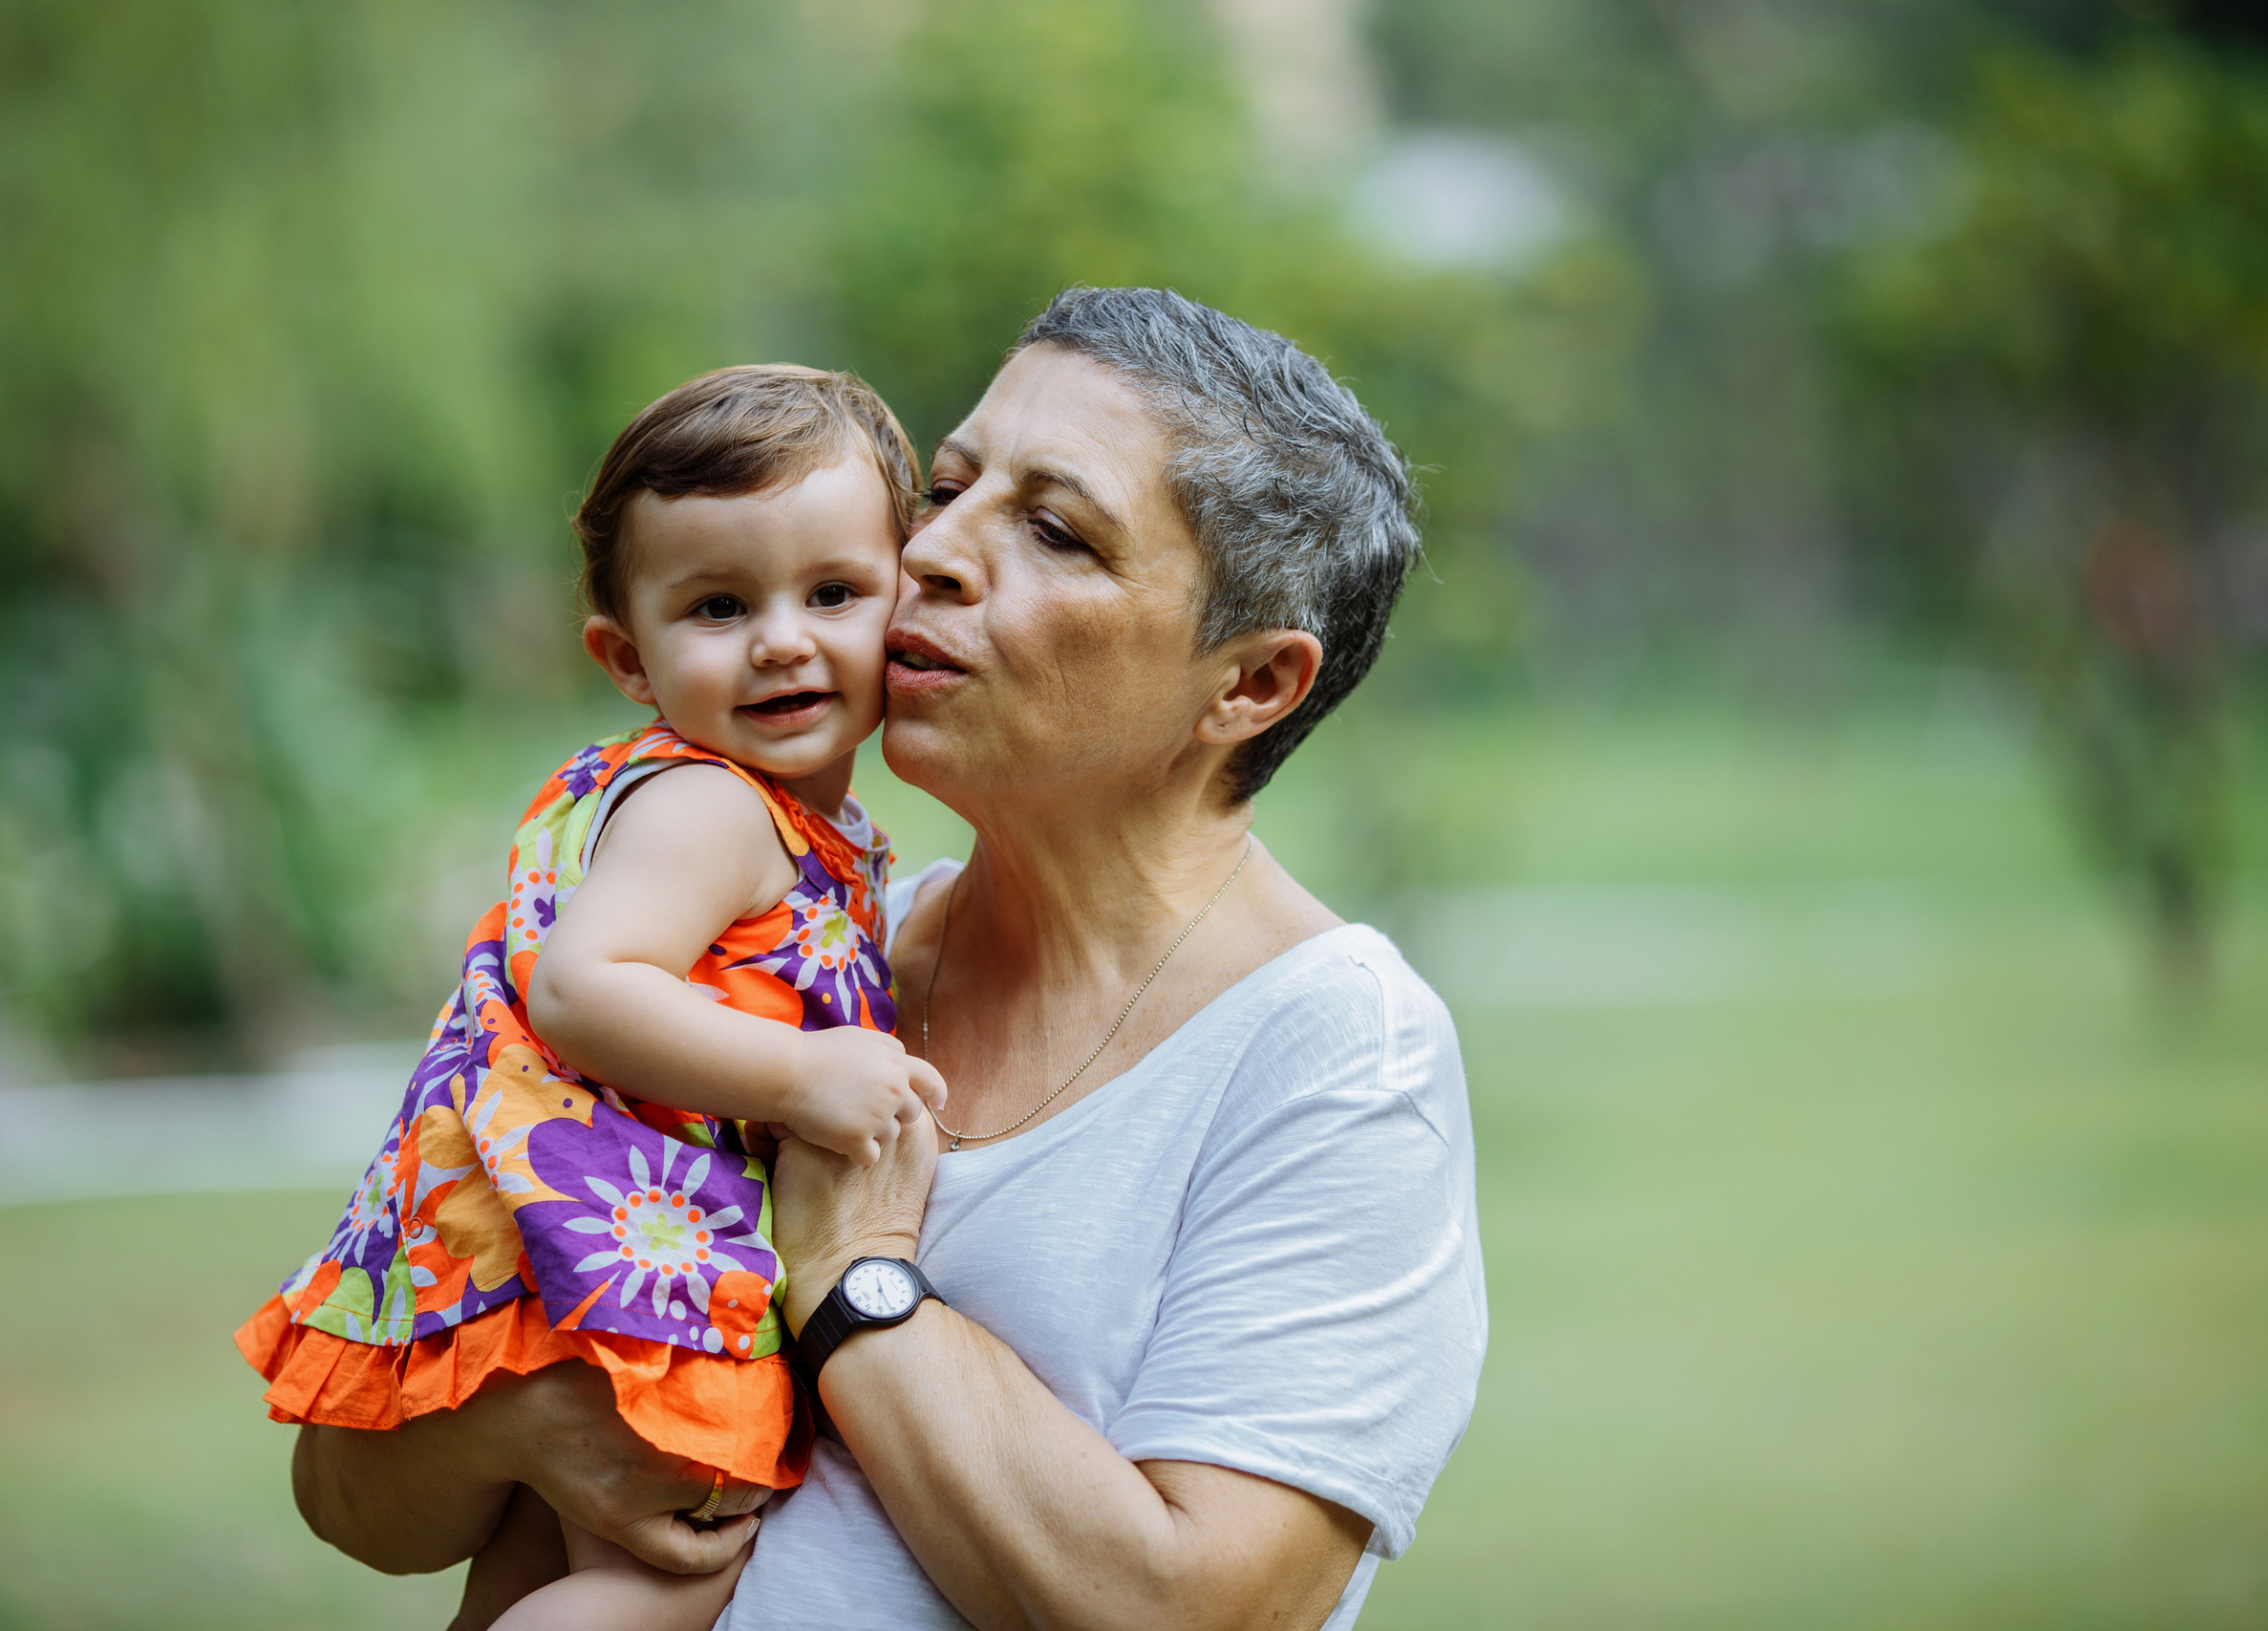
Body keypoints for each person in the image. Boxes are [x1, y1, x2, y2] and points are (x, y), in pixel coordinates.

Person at [291, 288, 1487, 1631]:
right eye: (953, 486)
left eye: (1053, 531)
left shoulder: (1333, 1049)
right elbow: (345, 1494)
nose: (933, 554)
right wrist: (516, 1426)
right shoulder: (777, 958)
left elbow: (1196, 1614)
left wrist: (858, 1278)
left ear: (1251, 686)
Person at [236, 364, 947, 1631]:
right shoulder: (714, 807)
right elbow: (582, 986)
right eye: (720, 606)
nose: (784, 638)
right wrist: (805, 1079)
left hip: (569, 1235)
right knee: (670, 1577)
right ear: (627, 655)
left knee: (542, 1575)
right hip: (623, 1246)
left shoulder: (754, 813)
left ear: (907, 598)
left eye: (832, 592)